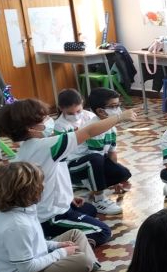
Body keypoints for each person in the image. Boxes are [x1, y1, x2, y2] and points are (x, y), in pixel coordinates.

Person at [0, 99, 137, 247]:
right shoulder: (46, 146)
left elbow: (49, 178)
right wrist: (119, 117)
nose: (48, 120)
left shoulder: (29, 148)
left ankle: (53, 231)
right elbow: (89, 131)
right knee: (102, 231)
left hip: (47, 209)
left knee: (89, 210)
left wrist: (68, 197)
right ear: (31, 128)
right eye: (43, 118)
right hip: (50, 217)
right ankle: (51, 244)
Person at [0, 162, 116, 272]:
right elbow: (27, 268)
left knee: (76, 234)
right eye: (40, 184)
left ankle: (89, 271)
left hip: (35, 261)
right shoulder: (17, 225)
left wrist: (56, 245)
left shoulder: (23, 209)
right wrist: (61, 253)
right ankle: (86, 271)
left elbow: (34, 243)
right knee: (83, 260)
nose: (44, 186)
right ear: (27, 192)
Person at [55, 88, 131, 216]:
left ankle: (89, 183)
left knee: (122, 173)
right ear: (100, 111)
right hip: (73, 164)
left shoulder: (103, 123)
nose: (76, 116)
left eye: (118, 106)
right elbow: (97, 157)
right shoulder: (64, 125)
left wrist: (116, 180)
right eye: (113, 107)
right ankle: (99, 199)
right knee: (95, 159)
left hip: (91, 159)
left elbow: (112, 152)